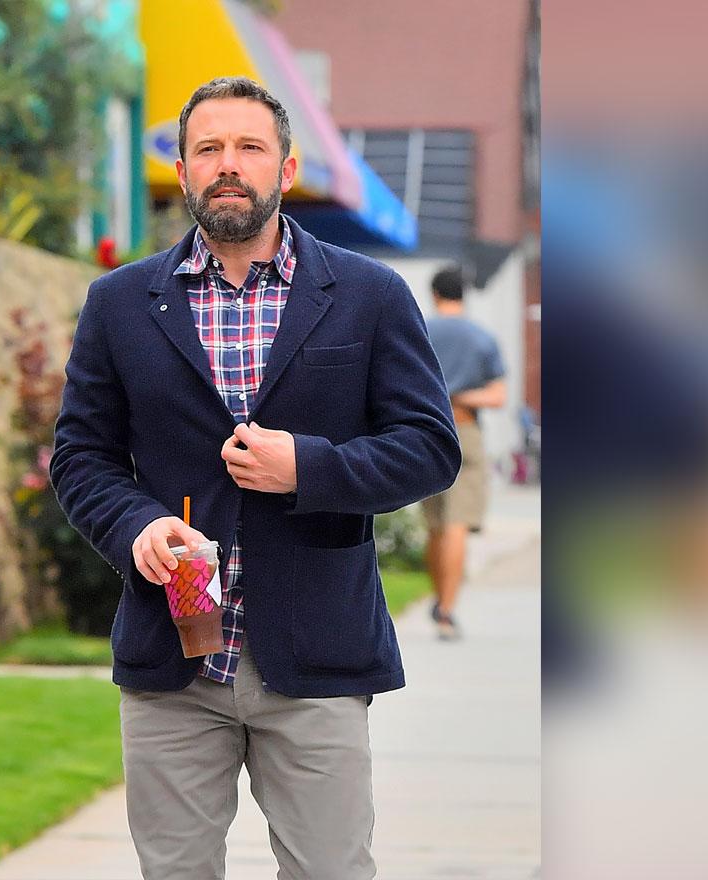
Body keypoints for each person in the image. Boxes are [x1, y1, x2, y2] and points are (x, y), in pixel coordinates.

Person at [49, 77, 460, 880]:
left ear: (287, 165)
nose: (228, 165)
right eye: (208, 149)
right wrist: (137, 527)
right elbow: (81, 457)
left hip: (317, 656)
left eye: (248, 148)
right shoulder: (120, 303)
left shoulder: (370, 295)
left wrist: (309, 466)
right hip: (174, 659)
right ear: (183, 168)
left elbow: (428, 446)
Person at [420, 266, 507, 640]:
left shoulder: (420, 330)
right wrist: (461, 395)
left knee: (436, 527)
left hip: (424, 433)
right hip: (465, 429)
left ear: (435, 294)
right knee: (456, 526)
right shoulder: (482, 338)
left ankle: (441, 598)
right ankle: (446, 611)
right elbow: (498, 396)